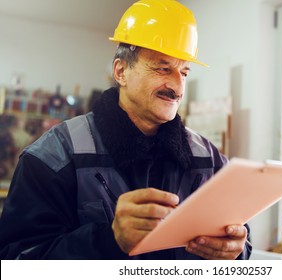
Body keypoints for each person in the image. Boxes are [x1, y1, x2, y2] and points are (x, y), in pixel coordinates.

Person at [0, 0, 252, 260]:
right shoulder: (53, 156)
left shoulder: (209, 158)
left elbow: (241, 239)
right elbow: (15, 261)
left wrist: (237, 250)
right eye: (163, 68)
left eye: (184, 72)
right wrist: (108, 240)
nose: (177, 87)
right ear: (121, 71)